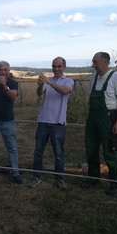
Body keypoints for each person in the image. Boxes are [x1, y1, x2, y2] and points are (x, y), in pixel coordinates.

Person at [82, 52, 117, 195]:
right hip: (93, 119)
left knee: (109, 151)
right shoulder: (93, 78)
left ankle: (114, 184)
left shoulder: (116, 77)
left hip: (108, 119)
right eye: (93, 62)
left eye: (95, 62)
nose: (93, 65)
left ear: (105, 62)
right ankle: (94, 178)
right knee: (91, 149)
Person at [29, 57, 74, 189]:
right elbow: (39, 94)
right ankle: (36, 176)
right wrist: (41, 84)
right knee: (38, 151)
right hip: (43, 121)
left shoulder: (69, 81)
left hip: (58, 123)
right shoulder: (48, 82)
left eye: (59, 66)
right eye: (54, 66)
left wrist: (49, 82)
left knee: (59, 154)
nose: (56, 69)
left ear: (64, 67)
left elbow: (65, 91)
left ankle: (59, 179)